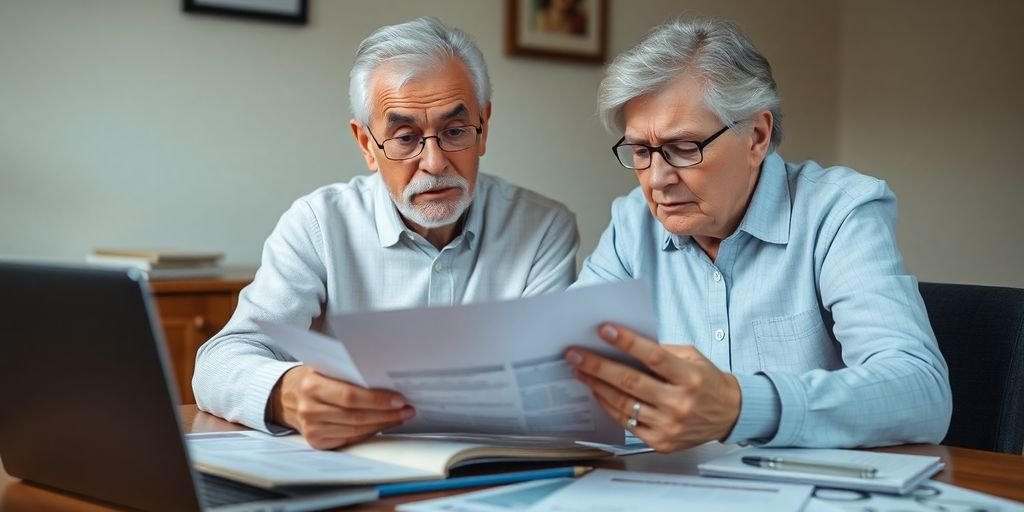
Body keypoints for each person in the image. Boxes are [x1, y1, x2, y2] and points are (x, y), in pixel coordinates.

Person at [563, 18, 952, 451]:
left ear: (757, 136)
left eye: (685, 147)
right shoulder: (632, 225)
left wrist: (738, 406)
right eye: (641, 151)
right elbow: (565, 368)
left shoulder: (839, 213)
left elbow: (922, 393)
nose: (656, 179)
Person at [193, 17, 579, 449]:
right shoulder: (319, 224)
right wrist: (289, 393)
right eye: (405, 137)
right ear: (365, 144)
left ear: (483, 127)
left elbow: (549, 383)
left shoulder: (543, 228)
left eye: (454, 132)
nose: (434, 162)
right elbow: (217, 363)